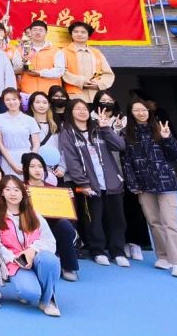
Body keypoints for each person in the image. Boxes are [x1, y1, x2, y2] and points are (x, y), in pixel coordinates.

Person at [59, 97, 127, 270]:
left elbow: (120, 145)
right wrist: (83, 182)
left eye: (84, 108)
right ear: (70, 112)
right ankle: (98, 250)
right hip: (90, 183)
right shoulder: (67, 132)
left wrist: (106, 128)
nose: (82, 111)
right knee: (93, 219)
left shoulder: (98, 128)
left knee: (117, 219)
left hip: (111, 182)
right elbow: (72, 160)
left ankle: (118, 251)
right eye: (77, 109)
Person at [124, 99, 177, 277]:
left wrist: (168, 139)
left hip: (165, 183)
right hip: (144, 185)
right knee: (154, 222)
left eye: (143, 109)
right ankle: (163, 256)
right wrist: (133, 183)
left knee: (171, 223)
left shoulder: (160, 129)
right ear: (131, 113)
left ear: (149, 111)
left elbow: (175, 155)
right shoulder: (127, 134)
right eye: (136, 110)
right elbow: (127, 162)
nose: (141, 113)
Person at [0, 176, 61, 316]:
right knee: (30, 293)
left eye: (16, 190)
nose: (12, 193)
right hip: (15, 262)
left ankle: (48, 300)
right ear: (2, 193)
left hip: (37, 257)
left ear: (23, 192)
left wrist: (32, 250)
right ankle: (34, 287)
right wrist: (15, 258)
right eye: (8, 189)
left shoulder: (34, 213)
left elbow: (49, 241)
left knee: (50, 260)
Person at [22, 152, 80, 281]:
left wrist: (70, 199)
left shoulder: (53, 189)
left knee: (65, 225)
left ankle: (68, 266)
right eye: (32, 166)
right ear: (25, 168)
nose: (37, 170)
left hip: (51, 227)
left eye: (40, 166)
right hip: (30, 227)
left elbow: (66, 214)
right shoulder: (20, 188)